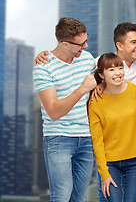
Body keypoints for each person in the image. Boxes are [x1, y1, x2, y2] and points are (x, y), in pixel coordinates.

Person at [33, 17, 97, 201]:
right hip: (59, 138)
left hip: (85, 137)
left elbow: (109, 68)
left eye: (86, 41)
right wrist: (82, 89)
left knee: (79, 198)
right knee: (61, 195)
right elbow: (53, 112)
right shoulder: (43, 68)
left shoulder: (86, 59)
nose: (85, 47)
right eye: (80, 44)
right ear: (64, 44)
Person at [88, 53, 136, 202]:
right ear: (101, 75)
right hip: (110, 163)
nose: (118, 73)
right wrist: (104, 173)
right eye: (111, 70)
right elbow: (97, 141)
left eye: (120, 68)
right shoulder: (95, 101)